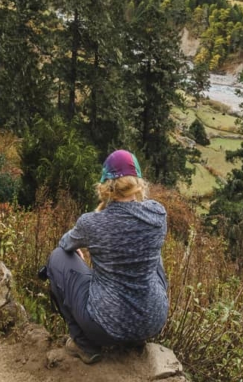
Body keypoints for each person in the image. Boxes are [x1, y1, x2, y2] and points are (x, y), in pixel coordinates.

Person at [45, 149, 169, 364]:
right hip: (153, 322)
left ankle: (83, 343)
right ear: (138, 182)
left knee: (57, 257)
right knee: (154, 255)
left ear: (105, 185)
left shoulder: (91, 222)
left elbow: (65, 244)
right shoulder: (158, 214)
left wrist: (81, 250)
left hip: (105, 328)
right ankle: (136, 339)